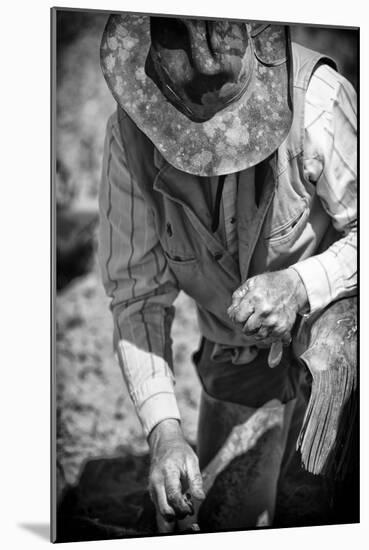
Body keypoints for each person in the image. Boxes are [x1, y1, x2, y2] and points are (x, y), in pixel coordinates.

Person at [98, 14, 357, 531]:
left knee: (322, 505)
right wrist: (165, 434)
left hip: (339, 332)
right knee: (223, 523)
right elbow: (136, 297)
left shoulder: (319, 102)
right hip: (235, 348)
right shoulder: (129, 142)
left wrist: (300, 285)